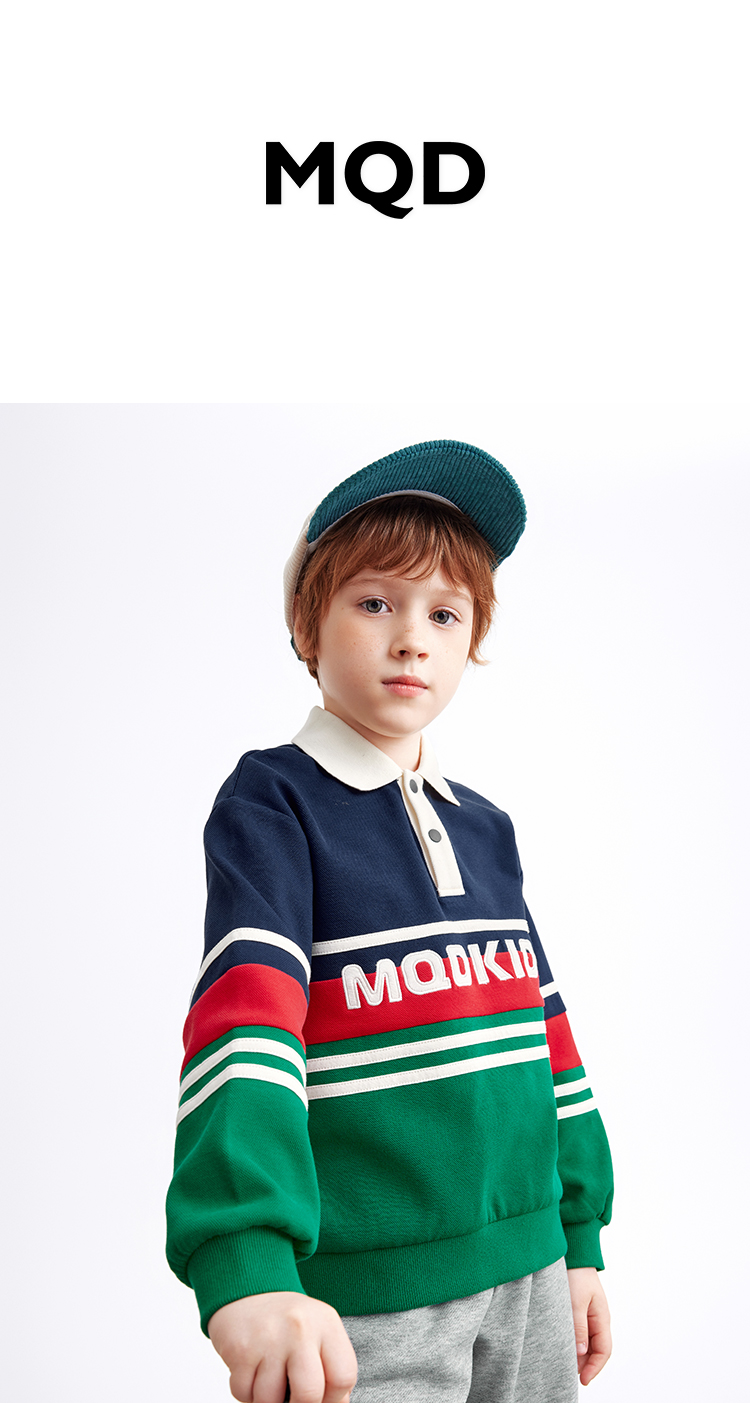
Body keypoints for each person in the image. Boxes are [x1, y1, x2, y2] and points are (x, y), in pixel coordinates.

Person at [165, 440, 614, 1403]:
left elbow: (546, 1032)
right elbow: (246, 1031)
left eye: (444, 613)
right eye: (375, 602)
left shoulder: (485, 826)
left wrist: (579, 1236)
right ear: (308, 622)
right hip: (373, 1298)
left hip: (533, 1271)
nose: (412, 637)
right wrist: (246, 1260)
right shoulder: (274, 804)